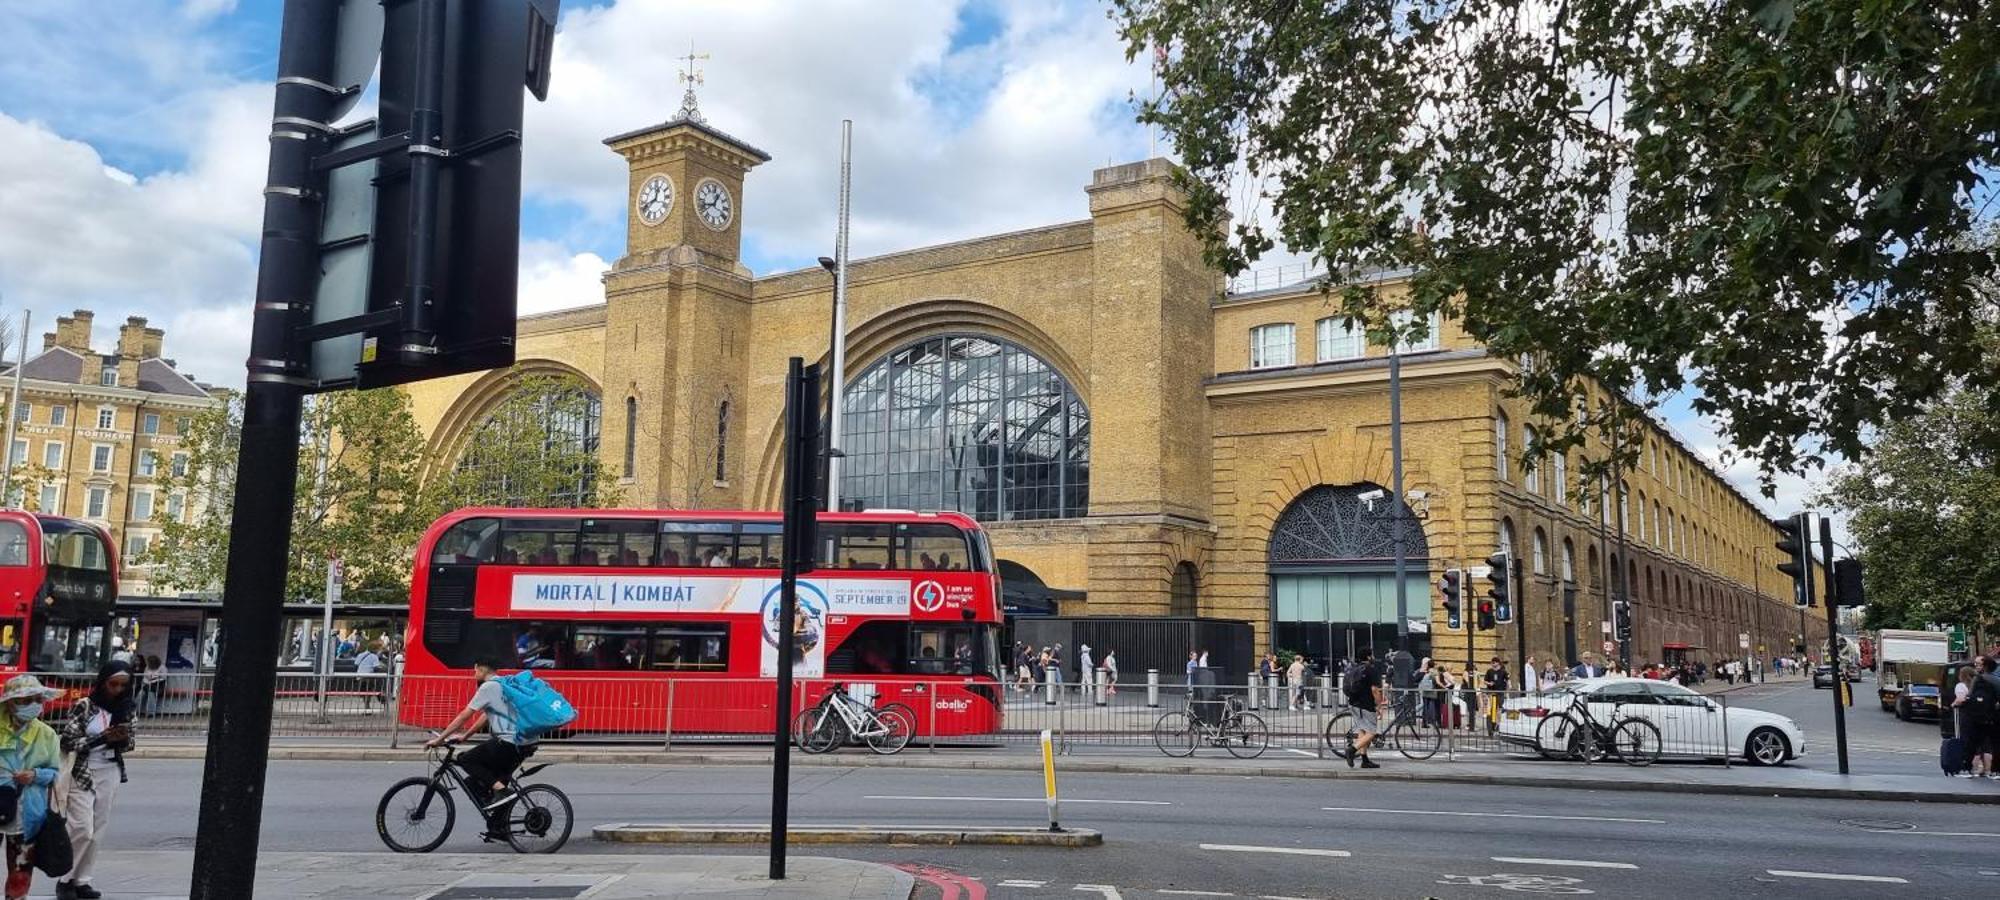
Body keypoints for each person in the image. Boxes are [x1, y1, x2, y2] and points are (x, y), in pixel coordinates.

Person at [428, 657, 537, 836]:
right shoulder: (504, 684)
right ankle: (499, 827)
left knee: (466, 760)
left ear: (481, 669)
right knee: (478, 781)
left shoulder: (488, 687)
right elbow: (486, 716)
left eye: (475, 670)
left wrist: (440, 740)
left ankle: (501, 790)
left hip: (508, 742)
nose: (474, 674)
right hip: (525, 743)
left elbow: (465, 715)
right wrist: (465, 736)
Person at [56, 662, 137, 900]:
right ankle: (65, 879)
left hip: (110, 769)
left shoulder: (127, 708)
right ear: (103, 682)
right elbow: (68, 742)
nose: (118, 690)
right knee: (82, 827)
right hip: (83, 770)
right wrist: (100, 738)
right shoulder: (85, 706)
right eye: (113, 684)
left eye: (123, 685)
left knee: (98, 830)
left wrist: (119, 740)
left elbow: (131, 742)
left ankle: (82, 880)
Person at [0, 675, 61, 900]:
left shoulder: (47, 735)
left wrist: (35, 775)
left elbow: (55, 773)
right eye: (25, 700)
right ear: (10, 702)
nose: (33, 705)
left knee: (20, 874)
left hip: (27, 813)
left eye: (37, 699)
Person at [1338, 647, 1383, 769]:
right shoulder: (1371, 669)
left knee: (1362, 730)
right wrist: (1379, 706)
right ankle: (1352, 750)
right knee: (1372, 732)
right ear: (1368, 657)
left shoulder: (1354, 668)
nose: (1372, 657)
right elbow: (1374, 689)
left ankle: (1364, 760)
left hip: (1353, 703)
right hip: (1366, 705)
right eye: (1371, 655)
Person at [1481, 657, 1510, 733]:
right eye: (1492, 663)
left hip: (1500, 692)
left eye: (1494, 663)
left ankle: (1498, 724)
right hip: (1491, 692)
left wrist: (1508, 689)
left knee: (1499, 709)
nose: (1492, 664)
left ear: (1498, 663)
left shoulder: (1503, 671)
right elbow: (1484, 681)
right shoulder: (1489, 671)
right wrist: (1489, 683)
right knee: (1492, 709)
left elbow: (1507, 681)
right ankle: (1492, 725)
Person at [355, 639, 384, 710]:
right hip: (368, 677)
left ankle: (366, 705)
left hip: (359, 676)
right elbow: (376, 667)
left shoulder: (360, 655)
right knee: (370, 689)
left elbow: (356, 664)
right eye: (379, 649)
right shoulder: (374, 657)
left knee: (365, 691)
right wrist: (382, 667)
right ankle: (370, 704)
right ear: (375, 649)